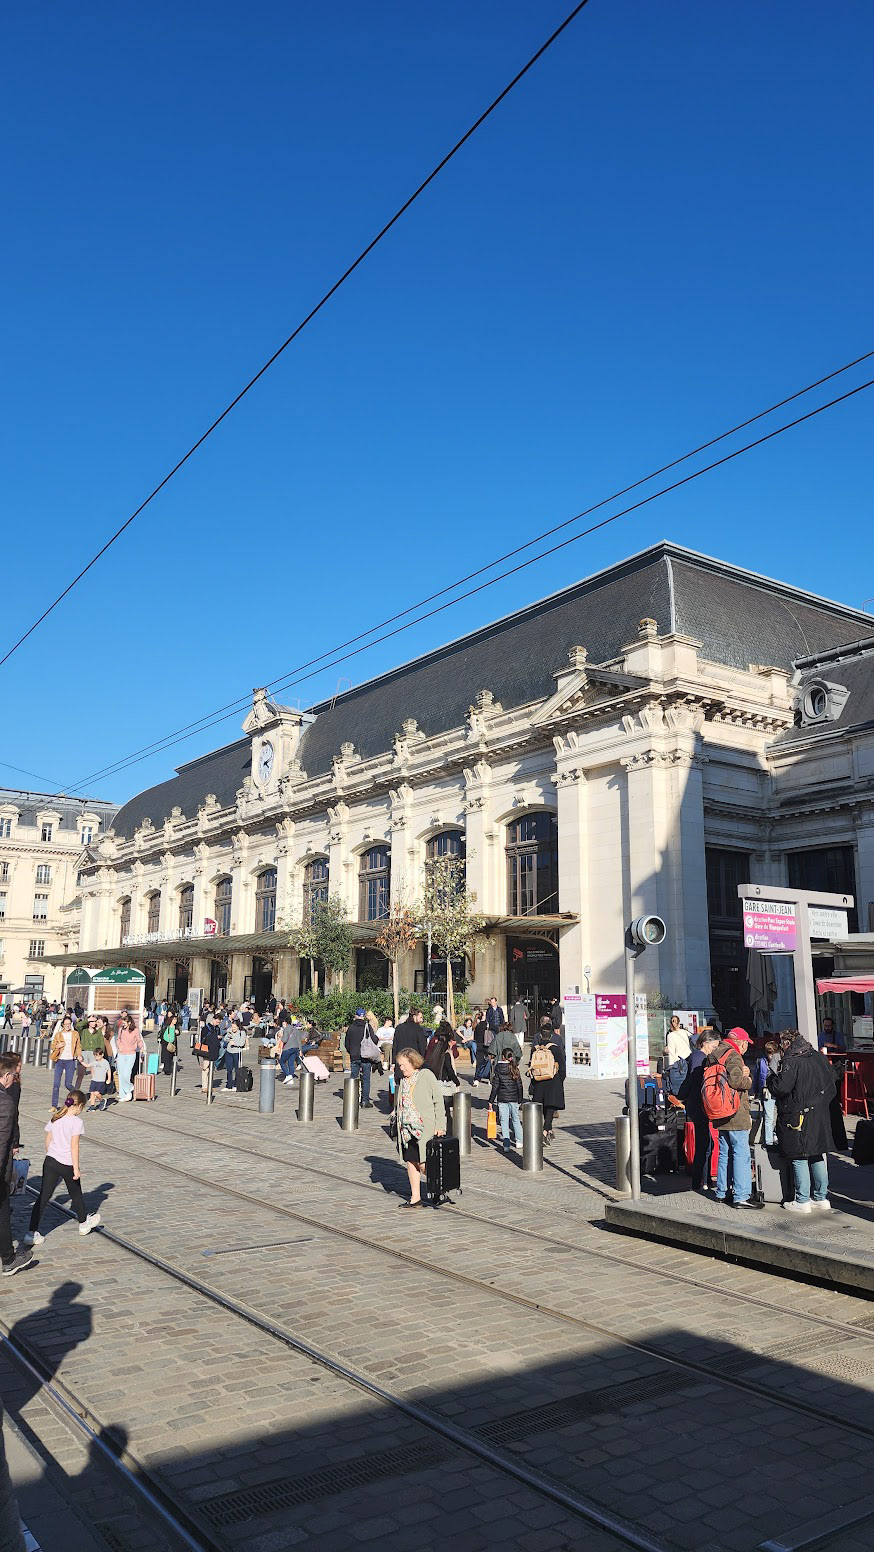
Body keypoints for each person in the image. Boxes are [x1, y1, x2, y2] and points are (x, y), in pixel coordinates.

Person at [769, 1028, 838, 1213]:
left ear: (786, 1043)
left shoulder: (792, 1060)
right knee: (817, 1154)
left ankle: (802, 1200)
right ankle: (821, 1197)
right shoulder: (816, 1056)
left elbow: (781, 1088)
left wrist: (771, 1079)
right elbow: (833, 1079)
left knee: (799, 1155)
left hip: (797, 1114)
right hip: (820, 1112)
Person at [24, 1092, 101, 1244]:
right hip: (67, 1163)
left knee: (43, 1196)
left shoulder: (56, 1118)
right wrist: (76, 1168)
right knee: (76, 1194)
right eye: (82, 1108)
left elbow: (47, 1140)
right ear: (78, 1106)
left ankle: (31, 1233)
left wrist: (52, 1154)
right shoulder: (77, 1122)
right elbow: (74, 1146)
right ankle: (84, 1224)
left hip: (51, 1161)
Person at [705, 1027, 761, 1209]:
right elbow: (737, 1081)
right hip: (735, 1111)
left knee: (724, 1152)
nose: (746, 1048)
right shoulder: (733, 1055)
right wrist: (749, 1078)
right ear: (742, 1043)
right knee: (741, 1153)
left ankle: (722, 1192)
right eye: (746, 1044)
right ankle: (742, 1195)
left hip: (719, 1109)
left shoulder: (714, 1054)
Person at [393, 1048, 445, 1208]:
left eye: (403, 1065)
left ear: (412, 1061)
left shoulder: (426, 1075)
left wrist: (440, 1125)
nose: (401, 1068)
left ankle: (438, 1186)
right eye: (399, 1065)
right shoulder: (403, 1080)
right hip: (407, 1129)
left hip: (424, 1127)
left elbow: (438, 1100)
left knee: (423, 1163)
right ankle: (415, 1197)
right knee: (411, 1160)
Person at [0, 1054, 33, 1276]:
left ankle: (8, 1257)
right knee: (2, 1212)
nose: (14, 1079)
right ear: (6, 1075)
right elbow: (2, 1140)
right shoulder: (5, 1102)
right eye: (13, 1074)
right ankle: (8, 1259)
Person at [678, 1028, 720, 1189]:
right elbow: (697, 1083)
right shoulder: (699, 1058)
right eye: (714, 1046)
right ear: (705, 1043)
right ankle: (701, 1182)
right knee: (705, 1145)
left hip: (696, 1105)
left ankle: (704, 1180)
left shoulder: (697, 1057)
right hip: (698, 1106)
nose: (715, 1049)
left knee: (707, 1143)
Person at [528, 1016, 566, 1144]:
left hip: (539, 1080)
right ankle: (545, 1130)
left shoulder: (535, 1048)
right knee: (550, 1106)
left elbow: (531, 1065)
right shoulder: (554, 1047)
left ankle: (548, 1130)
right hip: (552, 1080)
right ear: (550, 1035)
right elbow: (562, 1065)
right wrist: (560, 1080)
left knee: (543, 1105)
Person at [489, 1047, 524, 1153]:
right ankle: (519, 1141)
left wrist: (491, 1101)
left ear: (503, 1057)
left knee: (504, 1121)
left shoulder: (498, 1068)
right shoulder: (515, 1068)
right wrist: (520, 1099)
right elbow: (519, 1086)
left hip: (502, 1098)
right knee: (515, 1120)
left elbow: (495, 1086)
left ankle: (506, 1144)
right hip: (514, 1098)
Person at [345, 1008, 379, 1108]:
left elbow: (347, 1043)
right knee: (366, 1079)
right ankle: (364, 1101)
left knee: (353, 1077)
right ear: (364, 1016)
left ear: (356, 1015)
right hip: (366, 1056)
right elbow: (375, 1040)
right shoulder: (367, 1026)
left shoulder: (351, 1027)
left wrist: (351, 1052)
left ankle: (352, 1098)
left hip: (354, 1056)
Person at [50, 1015, 82, 1107]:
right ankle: (54, 1105)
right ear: (62, 1025)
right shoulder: (58, 1035)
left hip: (70, 1061)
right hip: (59, 1060)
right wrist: (57, 1046)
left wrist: (79, 1055)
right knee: (56, 1084)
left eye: (69, 1024)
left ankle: (78, 1096)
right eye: (66, 1024)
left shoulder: (75, 1034)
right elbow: (52, 1046)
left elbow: (78, 1046)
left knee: (68, 1084)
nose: (68, 1026)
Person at [115, 1014, 145, 1103]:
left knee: (126, 1073)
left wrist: (142, 1047)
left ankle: (128, 1090)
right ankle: (123, 1094)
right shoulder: (121, 1030)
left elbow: (139, 1040)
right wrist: (119, 1045)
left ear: (129, 1022)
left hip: (131, 1054)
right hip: (121, 1054)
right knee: (120, 1074)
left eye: (124, 1022)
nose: (123, 1024)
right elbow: (118, 1039)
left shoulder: (135, 1030)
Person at [392, 1008, 429, 1078]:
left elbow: (395, 1046)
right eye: (420, 1017)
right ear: (414, 1017)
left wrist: (394, 1062)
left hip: (401, 1061)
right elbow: (422, 1047)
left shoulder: (399, 1028)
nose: (422, 1020)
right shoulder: (419, 1029)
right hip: (413, 1062)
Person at [196, 1012, 221, 1091]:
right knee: (205, 1068)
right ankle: (204, 1086)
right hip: (207, 1050)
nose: (218, 1024)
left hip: (214, 1050)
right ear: (213, 1019)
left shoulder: (217, 1028)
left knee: (211, 1069)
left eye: (219, 1022)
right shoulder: (206, 1028)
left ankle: (209, 1085)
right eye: (217, 1022)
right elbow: (203, 1039)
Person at [223, 1018, 247, 1091]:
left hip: (237, 1052)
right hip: (229, 1051)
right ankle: (229, 1085)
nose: (233, 1028)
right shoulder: (230, 1031)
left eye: (234, 1027)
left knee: (237, 1069)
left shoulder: (241, 1032)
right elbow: (225, 1039)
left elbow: (242, 1043)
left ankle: (237, 1084)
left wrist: (235, 1044)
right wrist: (228, 1035)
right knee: (229, 1069)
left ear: (238, 1026)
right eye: (232, 1027)